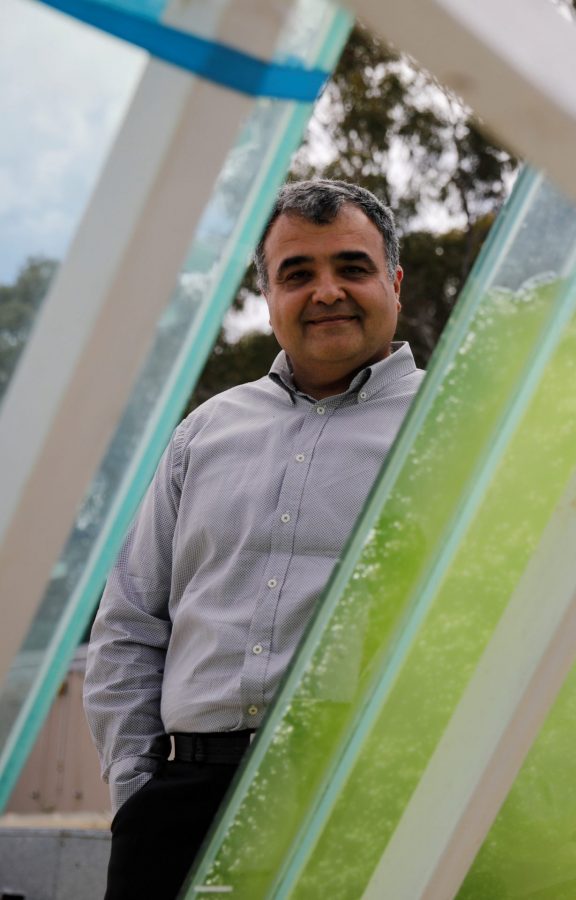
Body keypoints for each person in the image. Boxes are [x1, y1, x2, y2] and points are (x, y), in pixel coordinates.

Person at [84, 179, 424, 899]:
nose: (326, 291)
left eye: (351, 267)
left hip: (362, 797)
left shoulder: (458, 423)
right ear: (268, 298)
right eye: (297, 274)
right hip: (180, 806)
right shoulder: (204, 433)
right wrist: (138, 789)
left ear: (393, 281)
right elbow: (130, 622)